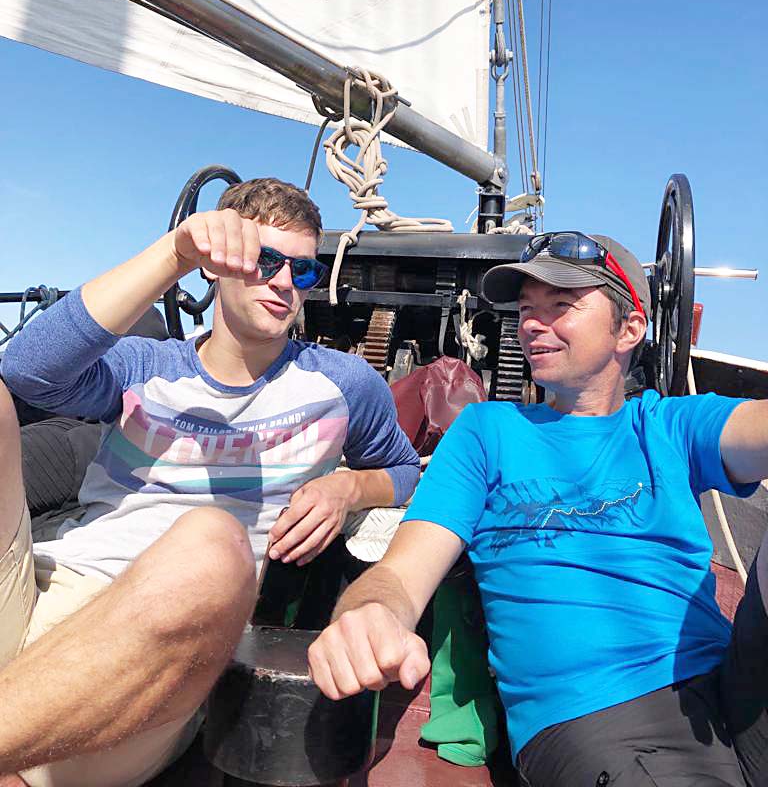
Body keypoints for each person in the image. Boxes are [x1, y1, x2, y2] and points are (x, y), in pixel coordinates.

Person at [0, 176, 419, 787]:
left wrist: (348, 488)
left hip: (165, 633)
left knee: (212, 540)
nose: (284, 282)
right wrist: (172, 254)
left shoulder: (344, 385)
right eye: (263, 261)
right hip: (44, 582)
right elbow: (26, 372)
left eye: (302, 270)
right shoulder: (146, 366)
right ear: (215, 267)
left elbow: (405, 471)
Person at [308, 231, 768, 787]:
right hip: (601, 713)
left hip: (734, 678)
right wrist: (373, 613)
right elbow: (402, 575)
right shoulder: (487, 432)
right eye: (527, 308)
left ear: (630, 329)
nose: (531, 324)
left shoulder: (670, 425)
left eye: (560, 305)